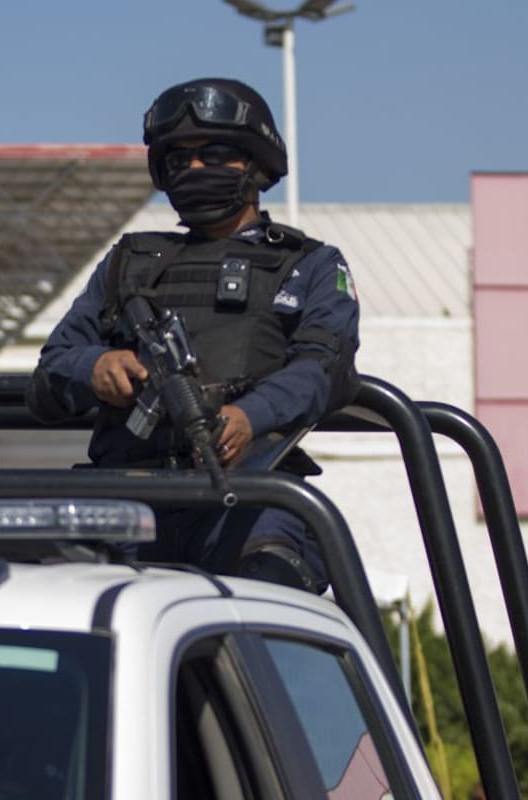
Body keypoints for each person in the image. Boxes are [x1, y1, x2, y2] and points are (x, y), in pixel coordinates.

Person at [26, 77, 360, 593]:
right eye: (179, 161)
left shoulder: (311, 265)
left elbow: (323, 369)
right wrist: (95, 369)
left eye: (215, 154)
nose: (195, 170)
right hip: (128, 503)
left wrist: (250, 416)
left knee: (266, 600)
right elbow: (52, 367)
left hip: (245, 502)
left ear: (255, 164)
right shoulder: (128, 263)